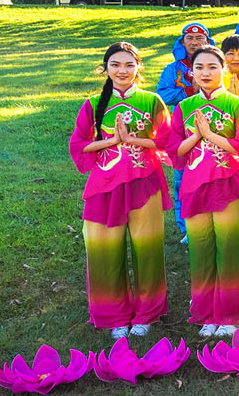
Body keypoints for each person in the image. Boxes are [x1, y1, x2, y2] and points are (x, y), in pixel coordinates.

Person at [69, 42, 170, 338]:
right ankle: (113, 315)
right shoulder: (92, 104)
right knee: (104, 251)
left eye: (129, 64)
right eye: (115, 65)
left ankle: (147, 314)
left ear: (138, 67)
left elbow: (167, 141)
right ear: (105, 68)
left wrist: (133, 141)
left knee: (148, 250)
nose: (122, 71)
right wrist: (112, 142)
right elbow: (78, 145)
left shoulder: (152, 101)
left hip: (144, 182)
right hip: (104, 186)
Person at [168, 46, 239, 337]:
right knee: (201, 250)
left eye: (212, 67)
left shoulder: (236, 105)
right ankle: (205, 313)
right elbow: (174, 151)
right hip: (194, 186)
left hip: (228, 184)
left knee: (229, 250)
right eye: (199, 67)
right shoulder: (184, 107)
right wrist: (197, 135)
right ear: (191, 72)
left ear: (224, 70)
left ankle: (230, 315)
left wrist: (210, 135)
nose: (206, 73)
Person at [155, 22, 211, 108]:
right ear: (182, 42)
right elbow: (163, 96)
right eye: (189, 38)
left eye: (199, 38)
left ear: (208, 42)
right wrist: (190, 91)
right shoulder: (172, 69)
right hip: (181, 114)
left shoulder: (216, 67)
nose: (194, 42)